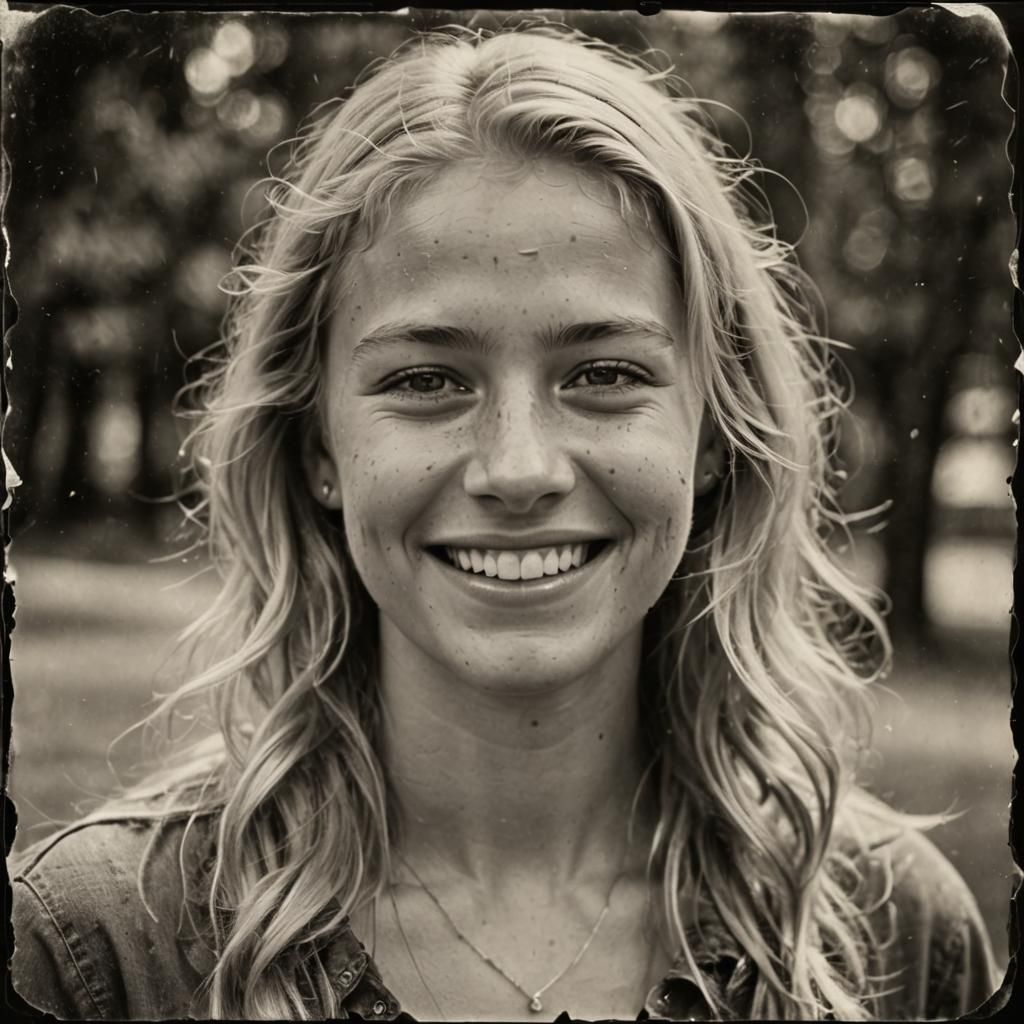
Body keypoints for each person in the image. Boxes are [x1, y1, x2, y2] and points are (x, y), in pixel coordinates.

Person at [10, 23, 1001, 1021]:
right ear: (318, 447)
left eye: (604, 372)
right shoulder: (97, 952)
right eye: (426, 380)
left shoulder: (898, 937)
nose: (519, 469)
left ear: (711, 433)